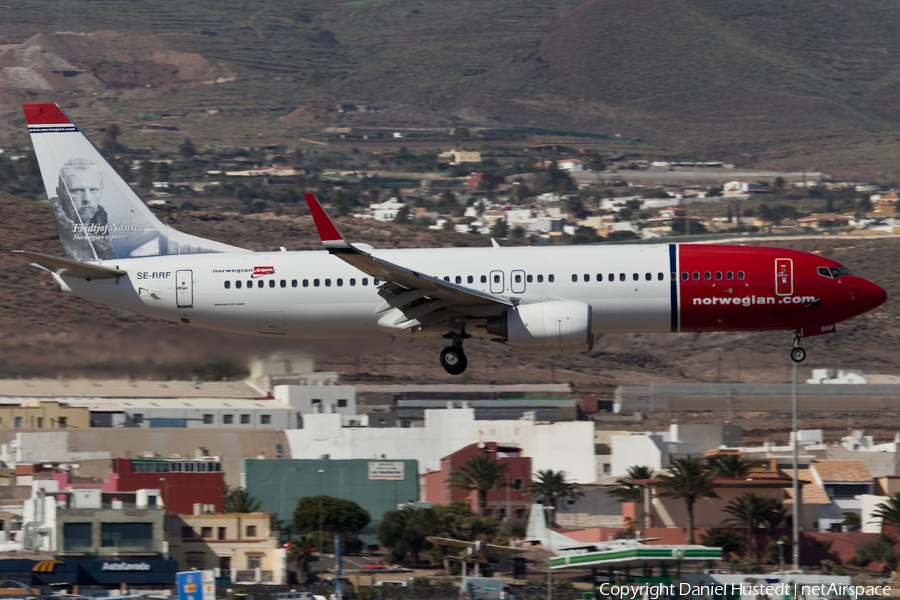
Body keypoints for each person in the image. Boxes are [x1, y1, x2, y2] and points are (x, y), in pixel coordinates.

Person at [49, 158, 117, 261]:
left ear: (101, 190)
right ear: (60, 193)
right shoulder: (53, 232)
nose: (87, 199)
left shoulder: (101, 221)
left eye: (93, 190)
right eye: (77, 191)